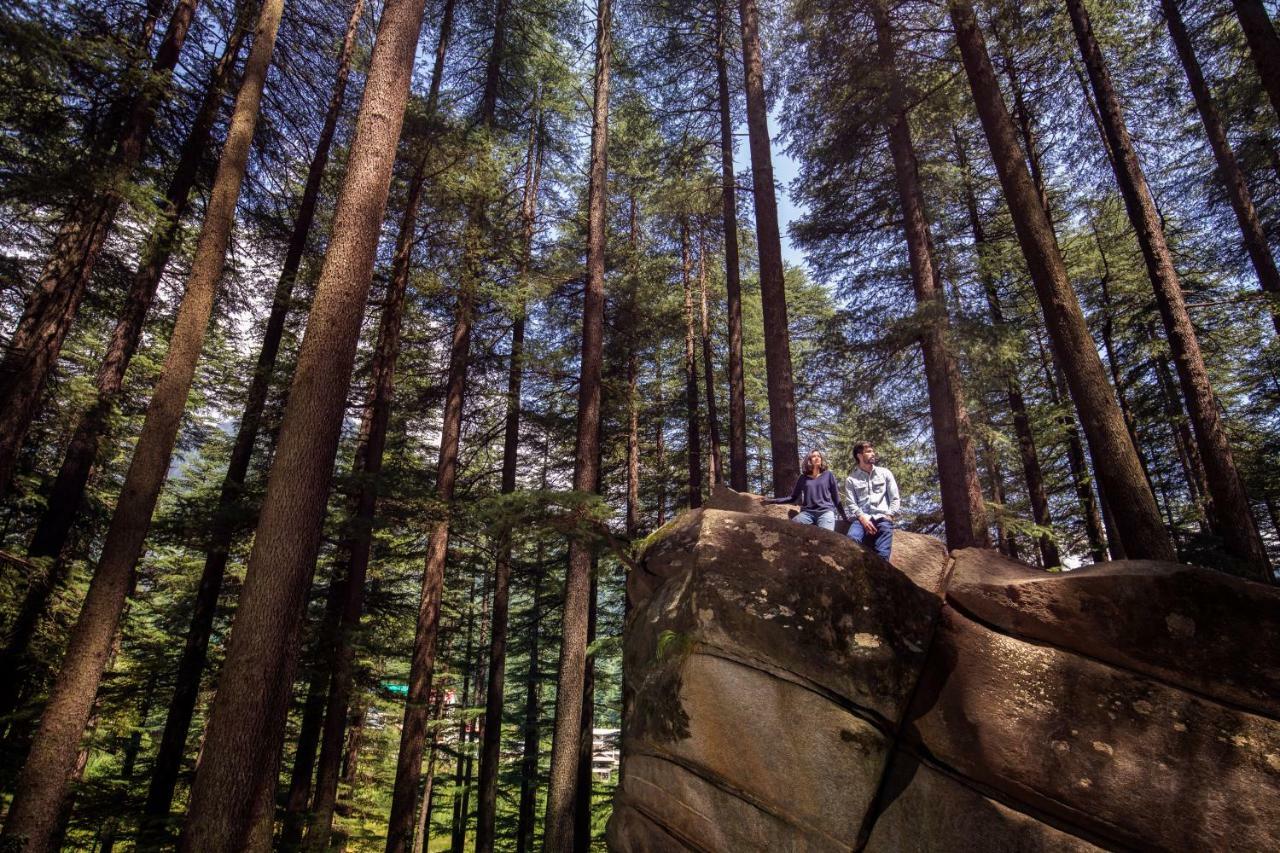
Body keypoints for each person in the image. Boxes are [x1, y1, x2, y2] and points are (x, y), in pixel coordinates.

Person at [766, 450, 850, 531]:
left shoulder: (828, 475)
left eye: (819, 456)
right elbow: (793, 497)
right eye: (814, 456)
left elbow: (836, 498)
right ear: (809, 460)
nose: (817, 458)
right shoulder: (803, 478)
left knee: (826, 538)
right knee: (791, 528)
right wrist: (773, 501)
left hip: (825, 513)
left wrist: (844, 517)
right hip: (807, 514)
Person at [845, 441, 899, 560]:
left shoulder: (885, 473)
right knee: (850, 544)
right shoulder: (851, 479)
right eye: (869, 452)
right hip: (861, 519)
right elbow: (851, 502)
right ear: (859, 455)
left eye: (873, 451)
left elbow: (895, 498)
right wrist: (862, 518)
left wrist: (889, 515)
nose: (873, 454)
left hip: (883, 518)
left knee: (883, 556)